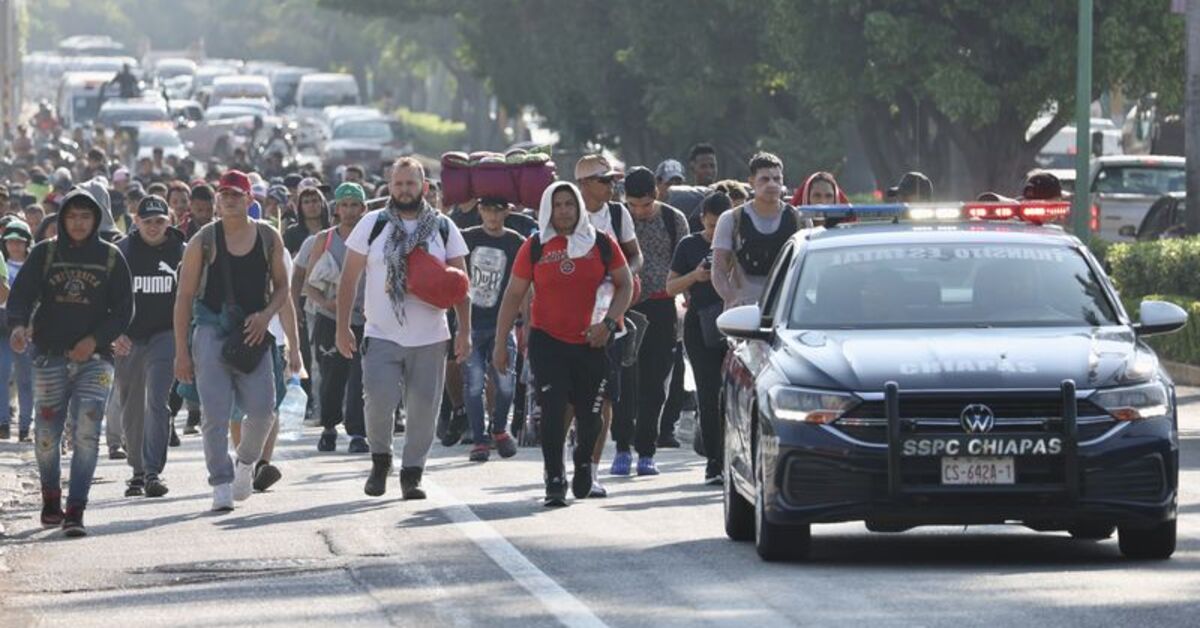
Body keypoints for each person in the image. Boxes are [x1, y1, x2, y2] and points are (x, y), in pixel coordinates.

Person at [336, 157, 471, 500]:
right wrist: (342, 327)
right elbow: (349, 279)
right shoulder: (372, 224)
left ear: (424, 187)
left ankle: (413, 474)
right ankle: (381, 461)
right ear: (389, 187)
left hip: (430, 336)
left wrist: (464, 331)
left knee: (424, 408)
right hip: (381, 332)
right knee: (378, 403)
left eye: (411, 184)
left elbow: (461, 285)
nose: (404, 190)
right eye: (398, 184)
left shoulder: (443, 227)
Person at [492, 182, 633, 506]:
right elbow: (513, 296)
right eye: (558, 205)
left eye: (570, 204)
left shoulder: (601, 243)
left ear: (579, 207)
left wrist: (609, 324)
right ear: (548, 210)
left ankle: (584, 462)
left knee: (591, 415)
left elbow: (625, 285)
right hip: (548, 341)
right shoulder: (536, 246)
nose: (565, 210)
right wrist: (501, 343)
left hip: (593, 343)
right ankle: (554, 477)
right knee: (553, 412)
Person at [8, 186, 134, 537]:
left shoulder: (110, 258)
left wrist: (94, 340)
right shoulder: (45, 254)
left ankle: (76, 509)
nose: (79, 223)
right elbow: (20, 298)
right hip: (48, 357)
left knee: (87, 433)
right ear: (62, 219)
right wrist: (18, 327)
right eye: (72, 216)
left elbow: (124, 311)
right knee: (46, 435)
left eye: (86, 216)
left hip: (97, 361)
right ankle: (51, 497)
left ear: (96, 219)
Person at [173, 170, 300, 512]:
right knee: (214, 415)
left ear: (249, 200)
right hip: (211, 330)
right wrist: (181, 352)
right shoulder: (203, 240)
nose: (229, 200)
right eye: (224, 194)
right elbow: (184, 297)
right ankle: (220, 482)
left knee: (263, 411)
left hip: (254, 333)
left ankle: (246, 463)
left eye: (236, 194)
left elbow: (283, 288)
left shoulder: (268, 237)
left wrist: (266, 318)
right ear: (217, 200)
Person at [618, 167, 688, 475]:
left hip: (662, 308)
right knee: (624, 382)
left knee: (655, 384)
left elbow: (685, 263)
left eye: (645, 204)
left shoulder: (674, 220)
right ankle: (622, 447)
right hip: (625, 308)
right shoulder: (618, 220)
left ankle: (646, 450)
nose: (640, 212)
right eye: (633, 205)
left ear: (656, 194)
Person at [114, 195, 185, 498]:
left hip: (165, 334)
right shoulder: (120, 252)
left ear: (169, 221)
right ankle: (137, 471)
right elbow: (105, 298)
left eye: (160, 221)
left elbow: (190, 297)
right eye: (148, 222)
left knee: (156, 398)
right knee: (131, 403)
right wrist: (114, 333)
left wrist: (186, 341)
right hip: (128, 336)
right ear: (136, 221)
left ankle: (153, 471)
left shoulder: (181, 251)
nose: (154, 227)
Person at [667, 192, 730, 485]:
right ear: (703, 218)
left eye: (722, 224)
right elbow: (670, 287)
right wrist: (695, 276)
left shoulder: (737, 242)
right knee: (707, 393)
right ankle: (714, 462)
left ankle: (733, 457)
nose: (716, 231)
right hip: (699, 323)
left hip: (734, 321)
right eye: (712, 224)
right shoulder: (689, 244)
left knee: (732, 393)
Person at [304, 183, 370, 454]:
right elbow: (308, 284)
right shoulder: (325, 239)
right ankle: (329, 426)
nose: (349, 211)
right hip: (329, 317)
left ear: (364, 209)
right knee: (332, 376)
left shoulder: (373, 238)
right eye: (344, 205)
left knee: (360, 377)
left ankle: (357, 432)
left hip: (364, 319)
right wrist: (326, 303)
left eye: (355, 205)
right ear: (336, 209)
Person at [460, 197, 525, 463]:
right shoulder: (467, 238)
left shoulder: (516, 242)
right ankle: (479, 439)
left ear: (508, 211)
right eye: (487, 210)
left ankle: (499, 428)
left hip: (503, 324)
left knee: (506, 384)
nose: (493, 216)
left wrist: (528, 321)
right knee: (474, 385)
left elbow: (526, 285)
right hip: (472, 323)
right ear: (480, 210)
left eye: (499, 210)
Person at [712, 152, 802, 309]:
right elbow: (718, 269)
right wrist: (731, 298)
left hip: (787, 310)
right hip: (743, 309)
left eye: (777, 179)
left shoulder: (799, 219)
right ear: (752, 182)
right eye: (765, 179)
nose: (772, 184)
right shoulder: (731, 219)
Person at [0, 220, 33, 442]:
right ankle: (2, 423)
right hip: (2, 327)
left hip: (26, 327)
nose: (14, 245)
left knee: (25, 379)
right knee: (2, 374)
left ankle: (24, 426)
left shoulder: (34, 265)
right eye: (10, 241)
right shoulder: (2, 264)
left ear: (26, 243)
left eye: (19, 241)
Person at [283, 186, 330, 255]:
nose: (311, 205)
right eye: (306, 202)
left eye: (315, 201)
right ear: (300, 207)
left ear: (322, 204)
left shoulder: (332, 232)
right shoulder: (291, 233)